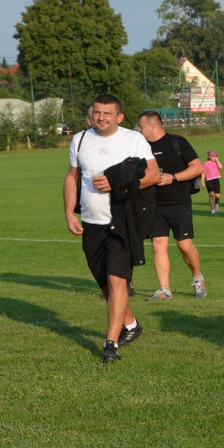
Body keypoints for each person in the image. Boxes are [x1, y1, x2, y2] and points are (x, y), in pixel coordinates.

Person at [64, 94, 159, 364]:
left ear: (119, 117)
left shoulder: (133, 139)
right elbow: (72, 176)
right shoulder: (80, 139)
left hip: (122, 222)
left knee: (118, 281)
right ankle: (131, 325)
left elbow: (153, 174)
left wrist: (120, 185)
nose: (101, 117)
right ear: (91, 113)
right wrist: (69, 212)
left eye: (107, 113)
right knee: (105, 285)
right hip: (92, 224)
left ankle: (111, 343)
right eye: (97, 112)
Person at [136, 111, 208, 302]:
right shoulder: (141, 147)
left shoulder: (177, 142)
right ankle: (164, 289)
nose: (138, 130)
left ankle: (197, 277)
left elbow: (197, 167)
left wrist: (173, 178)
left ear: (152, 126)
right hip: (153, 204)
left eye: (140, 126)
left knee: (184, 246)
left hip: (179, 203)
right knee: (158, 246)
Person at [202, 150, 223, 214]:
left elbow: (221, 167)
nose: (215, 157)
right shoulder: (205, 163)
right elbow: (203, 173)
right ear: (209, 157)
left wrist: (217, 160)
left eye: (215, 156)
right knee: (211, 195)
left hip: (216, 179)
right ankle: (213, 209)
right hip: (209, 180)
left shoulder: (216, 162)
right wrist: (202, 183)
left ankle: (216, 204)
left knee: (218, 196)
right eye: (213, 157)